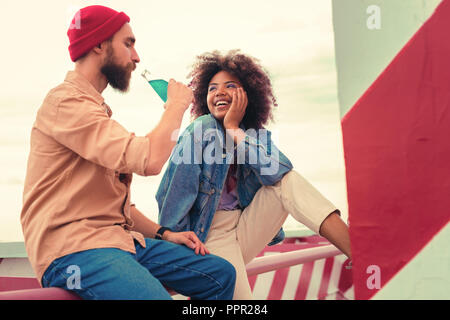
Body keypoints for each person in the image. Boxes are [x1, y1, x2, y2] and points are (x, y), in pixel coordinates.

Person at [20, 6, 235, 300]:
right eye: (129, 43)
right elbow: (150, 160)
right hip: (73, 252)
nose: (136, 57)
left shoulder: (96, 112)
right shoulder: (65, 103)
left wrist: (163, 233)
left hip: (118, 242)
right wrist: (176, 105)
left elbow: (116, 206)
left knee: (220, 276)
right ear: (98, 44)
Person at [156, 50, 352, 299]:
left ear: (246, 95)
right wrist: (176, 257)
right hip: (208, 235)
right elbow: (172, 194)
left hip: (247, 226)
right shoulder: (200, 130)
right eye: (212, 88)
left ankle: (356, 251)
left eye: (230, 86)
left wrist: (233, 129)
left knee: (287, 182)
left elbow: (278, 173)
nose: (219, 92)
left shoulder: (253, 134)